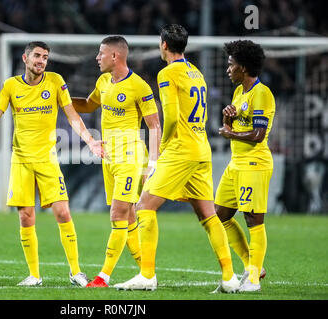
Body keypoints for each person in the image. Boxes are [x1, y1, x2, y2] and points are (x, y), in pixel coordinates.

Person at [114, 24, 239, 292]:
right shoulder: (197, 73)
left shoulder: (167, 73)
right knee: (208, 215)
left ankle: (147, 275)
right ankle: (229, 277)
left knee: (144, 207)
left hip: (180, 149)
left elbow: (169, 118)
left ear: (164, 45)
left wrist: (162, 148)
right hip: (200, 148)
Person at [0, 41, 105, 287]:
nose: (41, 61)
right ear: (25, 58)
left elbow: (72, 115)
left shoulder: (55, 81)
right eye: (37, 56)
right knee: (25, 216)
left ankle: (76, 272)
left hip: (47, 159)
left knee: (63, 212)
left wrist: (91, 141)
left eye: (45, 57)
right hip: (21, 160)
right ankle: (34, 275)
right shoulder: (11, 85)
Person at [72, 36, 161, 288]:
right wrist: (62, 100)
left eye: (101, 53)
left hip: (131, 156)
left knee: (118, 213)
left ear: (115, 56)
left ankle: (103, 277)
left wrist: (152, 161)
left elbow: (154, 125)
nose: (97, 58)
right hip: (108, 156)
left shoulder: (139, 86)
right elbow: (89, 106)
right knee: (129, 217)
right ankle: (148, 272)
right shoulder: (103, 81)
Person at [215, 40, 274, 292]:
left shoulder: (262, 93)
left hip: (255, 163)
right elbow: (232, 128)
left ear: (243, 66)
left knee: (253, 219)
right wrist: (228, 120)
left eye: (231, 65)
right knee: (221, 215)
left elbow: (259, 135)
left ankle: (252, 280)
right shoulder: (239, 92)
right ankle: (253, 266)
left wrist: (231, 135)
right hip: (236, 163)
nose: (228, 69)